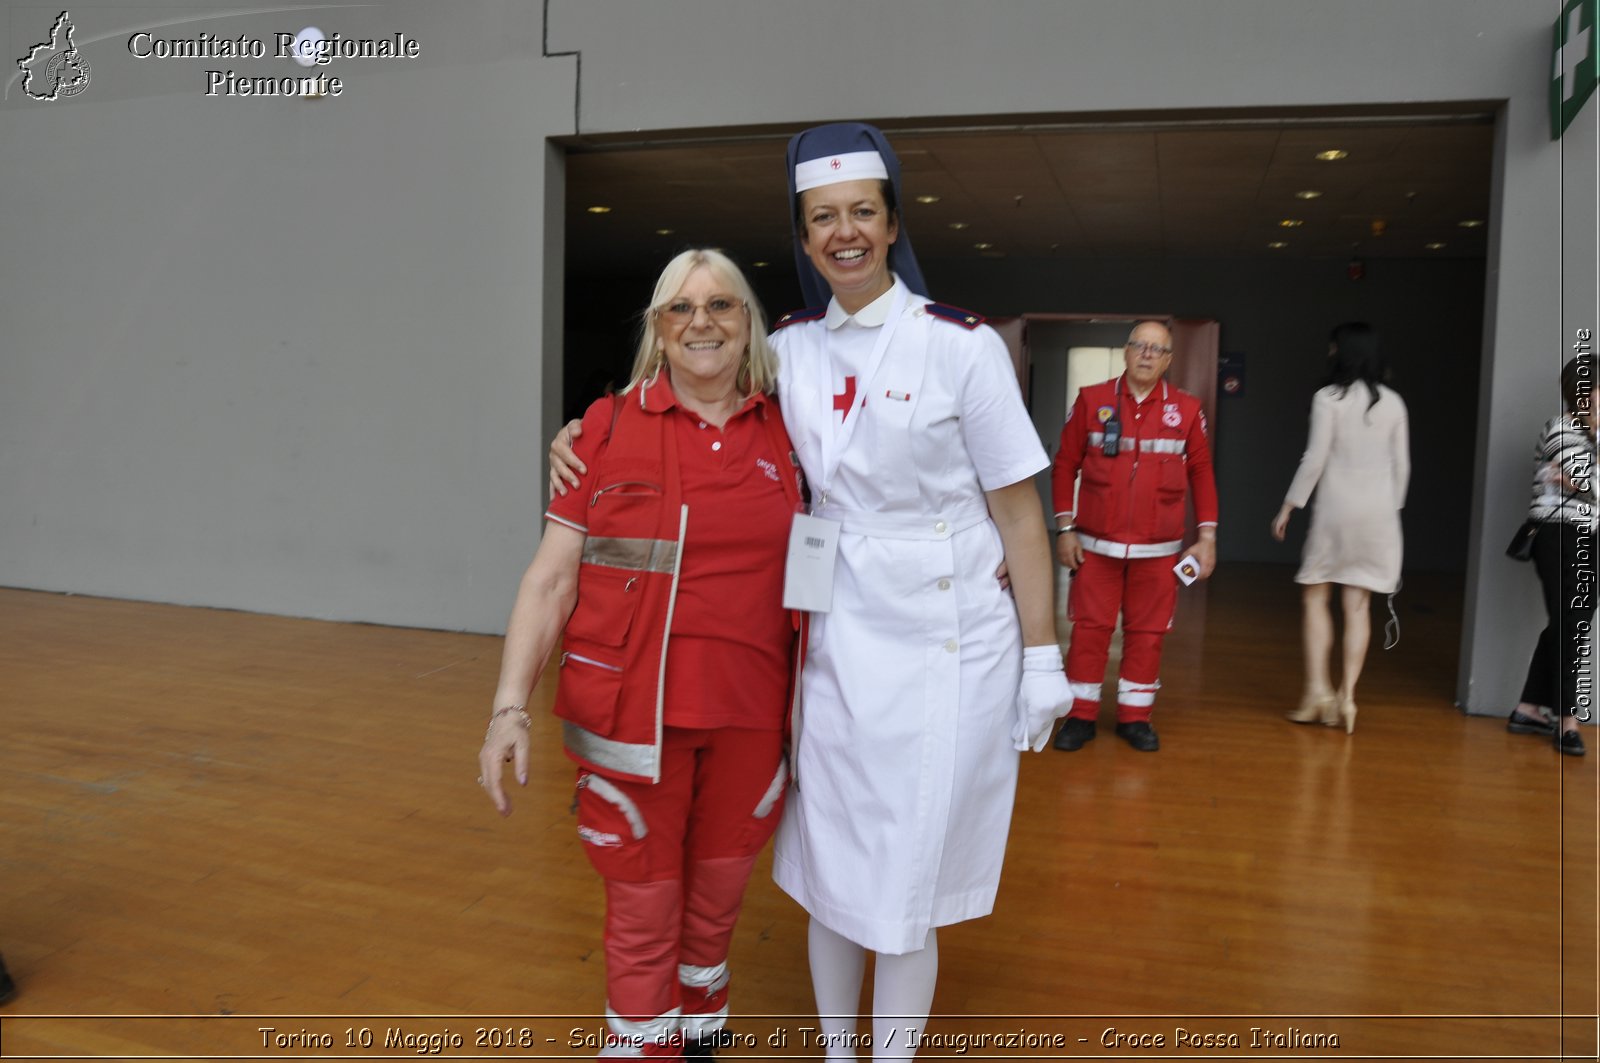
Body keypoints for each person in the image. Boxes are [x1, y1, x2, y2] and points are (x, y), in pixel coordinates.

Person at [554, 122, 1069, 1059]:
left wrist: (1045, 657)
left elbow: (1022, 516)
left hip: (945, 631)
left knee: (908, 869)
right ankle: (840, 1048)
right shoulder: (786, 350)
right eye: (823, 218)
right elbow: (684, 390)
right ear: (802, 237)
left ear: (892, 223)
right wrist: (577, 434)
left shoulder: (962, 348)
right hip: (830, 633)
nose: (845, 233)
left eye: (862, 214)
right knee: (834, 856)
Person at [480, 248, 806, 1056]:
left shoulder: (793, 427)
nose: (703, 322)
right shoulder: (602, 429)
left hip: (754, 712)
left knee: (720, 889)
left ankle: (700, 1025)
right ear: (658, 331)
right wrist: (507, 709)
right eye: (681, 308)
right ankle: (639, 1044)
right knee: (642, 899)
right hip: (630, 719)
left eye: (722, 306)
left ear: (747, 324)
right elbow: (551, 579)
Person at [1050, 320, 1219, 752]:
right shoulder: (1093, 401)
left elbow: (1201, 471)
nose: (1146, 354)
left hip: (1159, 553)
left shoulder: (1186, 408)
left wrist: (1207, 536)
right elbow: (1065, 464)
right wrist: (1065, 528)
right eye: (1139, 346)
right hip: (1095, 548)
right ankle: (1080, 715)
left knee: (1148, 633)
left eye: (1156, 349)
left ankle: (1134, 717)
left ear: (1168, 360)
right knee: (1089, 631)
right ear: (1126, 352)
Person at [1270, 322, 1410, 734]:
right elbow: (1403, 466)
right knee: (1359, 605)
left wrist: (1288, 505)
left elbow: (1315, 458)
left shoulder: (1328, 398)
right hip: (1380, 514)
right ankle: (1347, 698)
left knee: (1316, 595)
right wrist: (1390, 507)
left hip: (1336, 510)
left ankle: (1317, 692)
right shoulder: (1395, 403)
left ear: (1339, 350)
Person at [1503, 354, 1595, 756]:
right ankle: (1567, 722)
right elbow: (1585, 480)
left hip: (1587, 536)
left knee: (1567, 624)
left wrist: (1578, 480)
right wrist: (1575, 480)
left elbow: (1584, 482)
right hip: (1560, 535)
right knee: (1571, 627)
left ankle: (1527, 709)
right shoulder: (1561, 428)